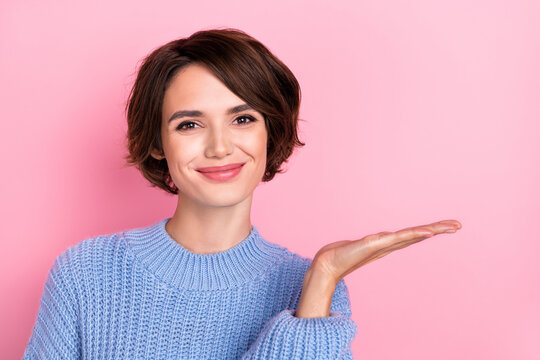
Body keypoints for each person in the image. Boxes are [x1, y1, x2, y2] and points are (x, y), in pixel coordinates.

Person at [22, 27, 462, 359]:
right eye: (189, 124)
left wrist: (321, 280)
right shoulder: (86, 275)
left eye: (243, 119)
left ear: (272, 131)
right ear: (157, 142)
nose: (218, 147)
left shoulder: (310, 288)